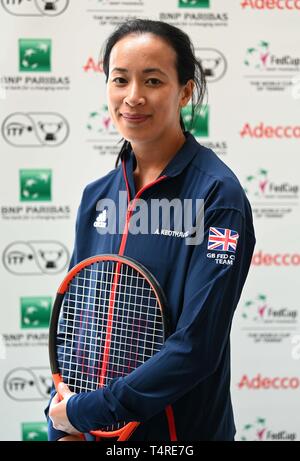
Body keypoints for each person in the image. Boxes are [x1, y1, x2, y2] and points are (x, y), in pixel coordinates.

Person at [46, 18, 256, 441]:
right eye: (120, 79)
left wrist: (86, 412)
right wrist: (65, 421)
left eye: (153, 80)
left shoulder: (218, 196)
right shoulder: (97, 197)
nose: (133, 97)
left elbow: (196, 348)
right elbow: (76, 326)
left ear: (185, 91)